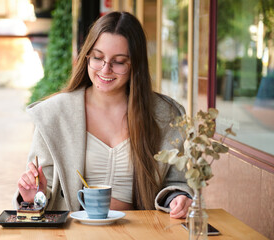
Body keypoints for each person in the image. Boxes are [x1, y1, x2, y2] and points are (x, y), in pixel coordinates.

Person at [13, 11, 193, 219]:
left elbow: (176, 182)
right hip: (74, 233)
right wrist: (34, 195)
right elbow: (45, 190)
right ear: (87, 56)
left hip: (141, 231)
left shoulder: (165, 115)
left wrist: (178, 198)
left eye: (118, 61)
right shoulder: (54, 115)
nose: (105, 69)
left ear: (135, 64)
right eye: (98, 58)